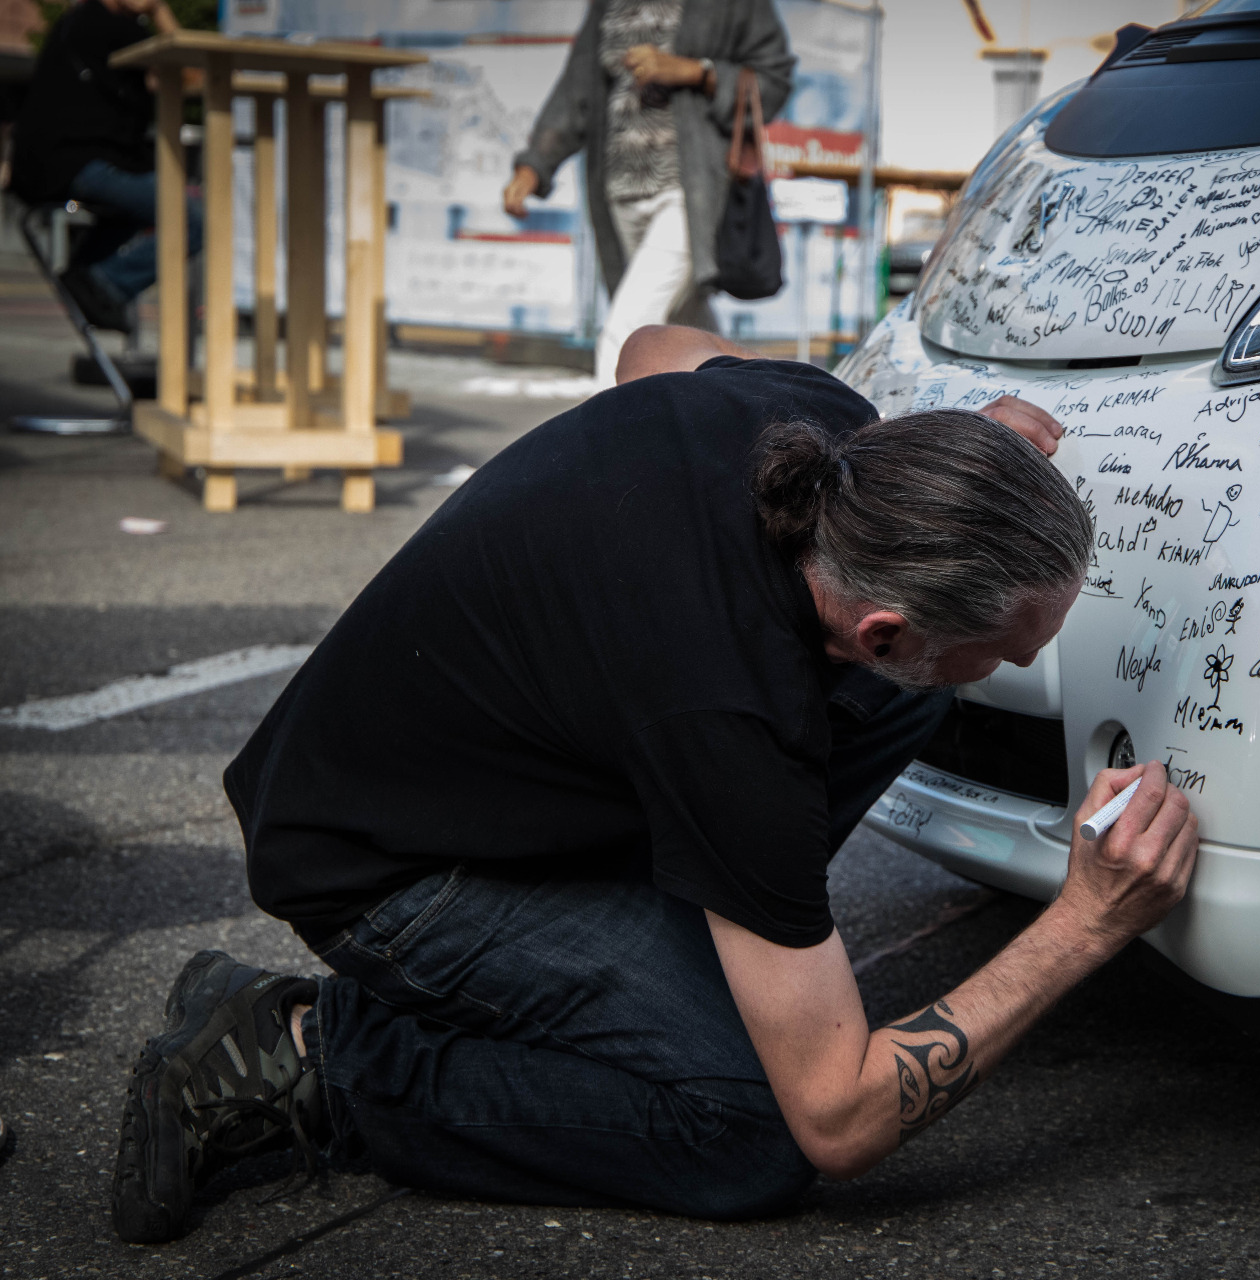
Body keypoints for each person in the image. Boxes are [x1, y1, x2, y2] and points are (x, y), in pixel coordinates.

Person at [108, 326, 1200, 1243]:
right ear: (880, 624)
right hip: (384, 874)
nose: (1015, 668)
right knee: (751, 1135)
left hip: (398, 767)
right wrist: (1086, 922)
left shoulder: (818, 429)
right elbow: (841, 1121)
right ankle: (309, 1053)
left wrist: (959, 477)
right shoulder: (734, 723)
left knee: (909, 698)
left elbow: (649, 348)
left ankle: (708, 941)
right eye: (1005, 651)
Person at [504, 0, 794, 387]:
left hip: (692, 194)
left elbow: (774, 81)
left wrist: (697, 72)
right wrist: (535, 164)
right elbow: (577, 89)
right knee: (684, 327)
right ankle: (738, 409)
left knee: (628, 333)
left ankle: (605, 427)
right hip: (618, 192)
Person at [7, 0, 203, 332]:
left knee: (135, 210)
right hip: (80, 171)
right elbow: (192, 77)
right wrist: (159, 12)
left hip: (55, 176)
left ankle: (86, 273)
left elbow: (179, 80)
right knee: (193, 221)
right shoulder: (108, 24)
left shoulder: (81, 22)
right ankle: (102, 284)